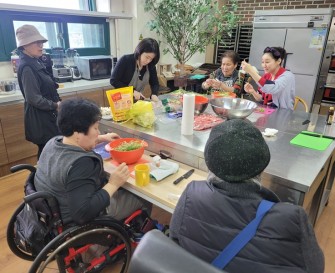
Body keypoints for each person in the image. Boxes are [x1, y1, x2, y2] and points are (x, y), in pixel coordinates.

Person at [170, 119, 324, 273]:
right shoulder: (291, 217)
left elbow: (175, 241)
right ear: (262, 164)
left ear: (210, 163)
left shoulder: (192, 193)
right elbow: (315, 268)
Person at [34, 98, 151, 225]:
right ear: (78, 133)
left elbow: (75, 139)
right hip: (79, 219)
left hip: (53, 213)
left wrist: (100, 138)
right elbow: (82, 214)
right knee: (143, 197)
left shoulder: (53, 142)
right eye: (95, 128)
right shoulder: (81, 163)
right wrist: (113, 184)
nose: (98, 132)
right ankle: (137, 231)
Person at [16, 24, 61, 159]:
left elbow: (43, 85)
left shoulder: (35, 61)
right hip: (41, 120)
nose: (41, 45)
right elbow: (33, 98)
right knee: (48, 153)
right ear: (24, 45)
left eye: (41, 42)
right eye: (36, 42)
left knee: (51, 152)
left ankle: (46, 178)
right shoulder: (27, 67)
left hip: (47, 117)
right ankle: (41, 179)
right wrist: (56, 105)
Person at [110, 38, 160, 102]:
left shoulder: (151, 65)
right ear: (140, 51)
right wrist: (132, 91)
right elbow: (113, 80)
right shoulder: (126, 60)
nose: (148, 61)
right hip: (121, 101)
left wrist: (154, 94)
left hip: (137, 101)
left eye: (151, 59)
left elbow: (155, 83)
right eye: (147, 57)